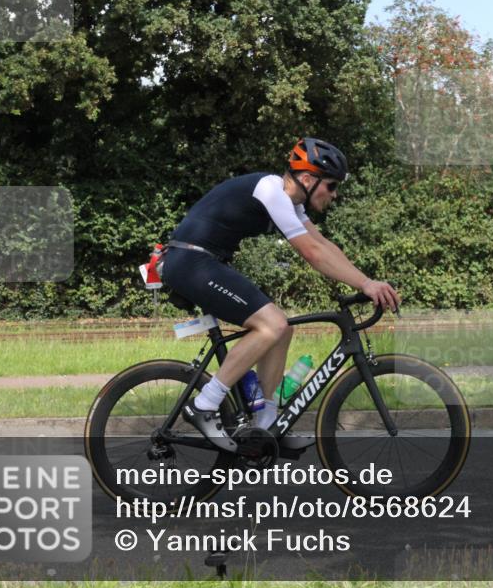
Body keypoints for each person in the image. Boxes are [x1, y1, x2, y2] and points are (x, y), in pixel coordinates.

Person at [159, 138, 400, 452]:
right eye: (331, 185)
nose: (334, 194)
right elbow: (312, 253)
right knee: (271, 324)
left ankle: (267, 424)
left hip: (202, 262)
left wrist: (367, 281)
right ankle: (204, 404)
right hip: (191, 261)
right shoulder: (272, 190)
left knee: (281, 328)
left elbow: (325, 246)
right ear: (308, 179)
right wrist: (365, 285)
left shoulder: (292, 204)